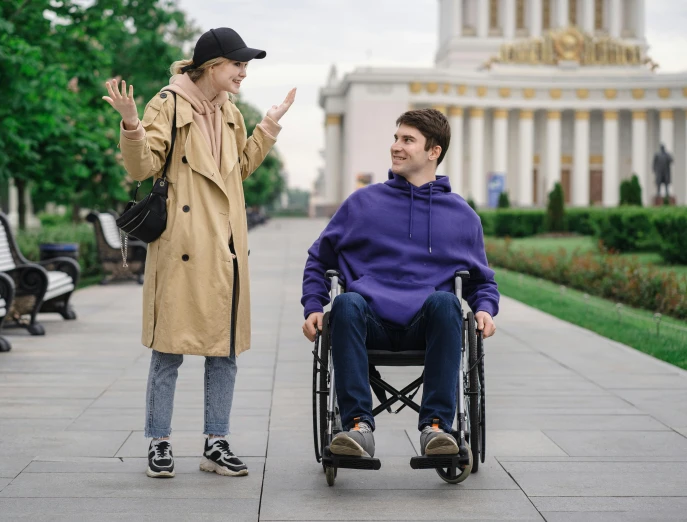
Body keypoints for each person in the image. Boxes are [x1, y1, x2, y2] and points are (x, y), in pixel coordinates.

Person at [103, 27, 296, 478]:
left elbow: (239, 168)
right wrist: (131, 124)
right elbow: (142, 166)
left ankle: (216, 442)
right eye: (238, 64)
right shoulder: (166, 105)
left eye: (246, 66)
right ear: (212, 66)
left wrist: (268, 125)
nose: (244, 73)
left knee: (223, 350)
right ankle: (159, 442)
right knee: (168, 350)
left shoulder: (230, 113)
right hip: (183, 245)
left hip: (225, 245)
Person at [301, 108, 498, 461]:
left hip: (426, 326)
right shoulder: (362, 204)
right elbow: (320, 259)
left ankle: (436, 428)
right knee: (345, 303)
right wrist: (314, 306)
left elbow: (482, 280)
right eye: (396, 138)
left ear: (433, 151)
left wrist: (485, 310)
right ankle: (358, 428)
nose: (396, 146)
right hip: (367, 323)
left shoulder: (461, 216)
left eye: (408, 140)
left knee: (446, 302)